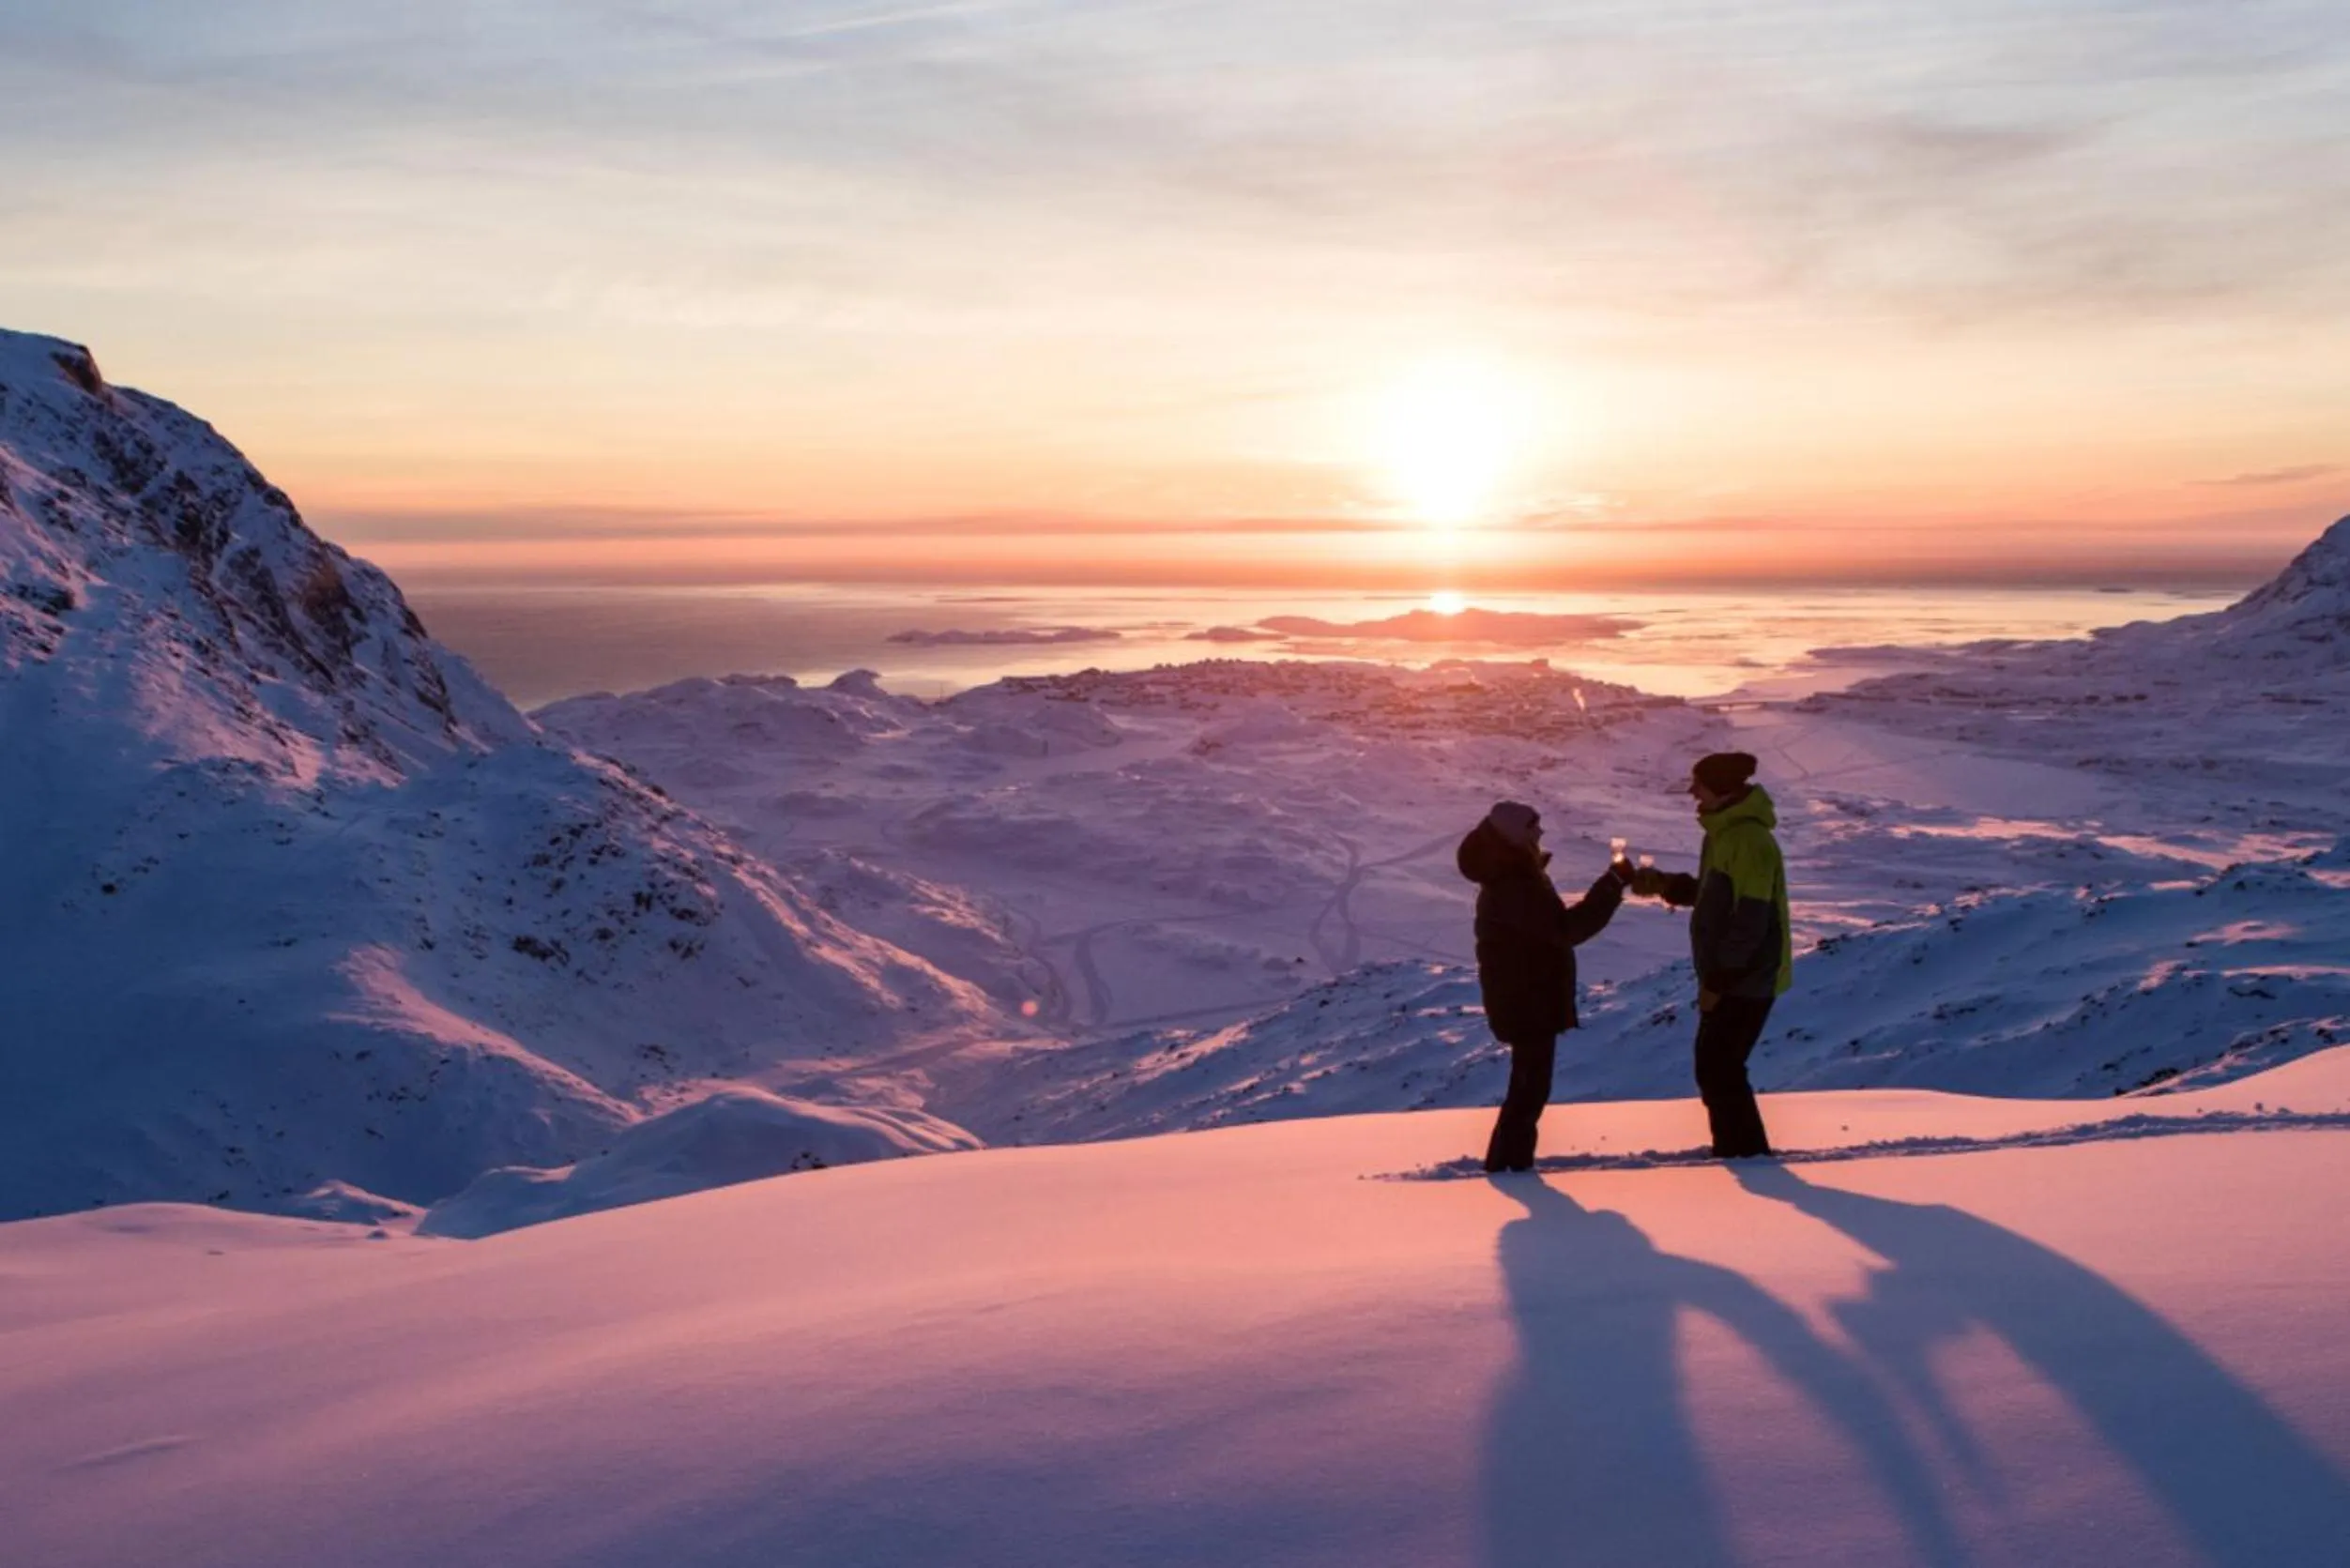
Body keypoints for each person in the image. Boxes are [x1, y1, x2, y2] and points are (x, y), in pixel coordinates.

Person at [1631, 752, 1792, 1159]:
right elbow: (1716, 895)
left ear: (1721, 788)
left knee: (1720, 1070)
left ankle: (1747, 1156)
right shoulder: (1723, 835)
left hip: (1746, 977)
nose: (1692, 791)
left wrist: (1718, 983)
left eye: (1698, 783)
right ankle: (1738, 1151)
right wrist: (1667, 885)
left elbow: (1749, 922)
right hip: (1734, 974)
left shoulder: (1749, 840)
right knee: (1716, 1069)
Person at [1457, 801, 1633, 1172]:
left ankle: (1509, 1165)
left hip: (1525, 996)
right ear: (1513, 836)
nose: (1540, 833)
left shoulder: (1513, 877)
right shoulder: (1513, 885)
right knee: (1528, 1090)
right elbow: (1565, 930)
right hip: (1527, 999)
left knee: (1528, 1087)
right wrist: (1612, 885)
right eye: (1532, 828)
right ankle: (1510, 1168)